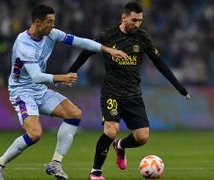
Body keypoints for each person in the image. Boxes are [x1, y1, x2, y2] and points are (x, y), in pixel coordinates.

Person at [0, 4, 128, 180]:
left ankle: (55, 163)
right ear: (37, 22)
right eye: (49, 22)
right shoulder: (23, 44)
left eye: (53, 21)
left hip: (39, 90)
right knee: (35, 134)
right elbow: (37, 76)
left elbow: (79, 41)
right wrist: (61, 78)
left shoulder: (51, 34)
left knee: (74, 114)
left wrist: (108, 50)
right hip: (22, 92)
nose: (53, 25)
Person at [68, 2, 191, 180]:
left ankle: (120, 146)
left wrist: (180, 88)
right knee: (111, 130)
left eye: (140, 20)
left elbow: (159, 63)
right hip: (111, 91)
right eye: (134, 19)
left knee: (142, 137)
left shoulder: (143, 38)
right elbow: (86, 52)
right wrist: (71, 71)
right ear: (123, 17)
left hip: (133, 94)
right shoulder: (107, 35)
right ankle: (95, 172)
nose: (137, 24)